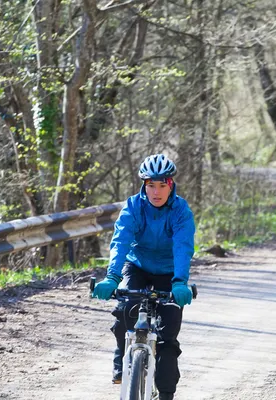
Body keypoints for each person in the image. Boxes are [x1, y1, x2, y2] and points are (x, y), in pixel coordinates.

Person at [92, 154, 195, 400]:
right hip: (137, 266)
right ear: (144, 185)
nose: (156, 192)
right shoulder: (133, 207)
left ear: (171, 185)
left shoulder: (181, 211)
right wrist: (112, 278)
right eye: (151, 185)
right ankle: (121, 357)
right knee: (124, 311)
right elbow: (121, 240)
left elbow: (183, 246)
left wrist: (180, 281)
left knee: (168, 339)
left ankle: (167, 394)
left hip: (169, 272)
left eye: (162, 185)